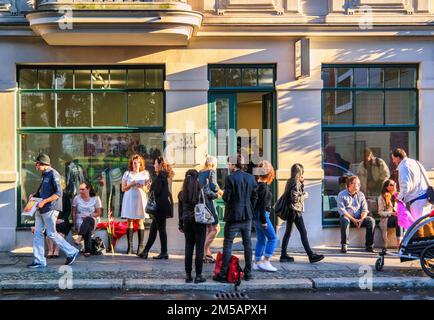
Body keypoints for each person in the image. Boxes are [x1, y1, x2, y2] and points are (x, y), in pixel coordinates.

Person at [27, 154, 80, 268]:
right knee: (37, 233)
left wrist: (44, 201)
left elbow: (58, 193)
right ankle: (39, 260)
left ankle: (71, 251)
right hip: (41, 208)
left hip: (50, 208)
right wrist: (34, 195)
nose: (35, 166)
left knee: (51, 233)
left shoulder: (53, 174)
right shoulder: (44, 174)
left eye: (37, 163)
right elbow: (44, 191)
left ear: (43, 164)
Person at [213, 154, 258, 283]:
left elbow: (226, 198)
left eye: (229, 164)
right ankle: (248, 273)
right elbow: (255, 196)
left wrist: (223, 194)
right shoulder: (250, 178)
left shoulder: (230, 178)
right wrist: (249, 208)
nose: (228, 166)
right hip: (247, 216)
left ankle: (223, 274)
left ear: (233, 165)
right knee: (247, 244)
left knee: (228, 244)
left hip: (233, 217)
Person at [280, 163, 324, 263]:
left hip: (291, 211)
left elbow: (294, 194)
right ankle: (311, 255)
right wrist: (305, 195)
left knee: (288, 233)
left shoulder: (290, 181)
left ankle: (283, 255)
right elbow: (295, 198)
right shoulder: (295, 182)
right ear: (300, 172)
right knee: (303, 232)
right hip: (295, 211)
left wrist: (302, 184)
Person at [140, 156, 174, 259]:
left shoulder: (161, 177)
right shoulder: (164, 176)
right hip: (162, 207)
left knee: (160, 230)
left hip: (160, 207)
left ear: (159, 165)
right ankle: (146, 251)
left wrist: (148, 188)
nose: (154, 165)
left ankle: (163, 252)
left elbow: (157, 192)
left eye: (155, 163)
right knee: (154, 230)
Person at [178, 170, 207, 284]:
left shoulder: (181, 193)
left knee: (188, 248)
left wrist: (180, 225)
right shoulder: (200, 191)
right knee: (199, 249)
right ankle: (199, 275)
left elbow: (180, 212)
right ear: (197, 178)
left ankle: (188, 275)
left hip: (187, 222)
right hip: (199, 222)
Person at [121, 154, 151, 255]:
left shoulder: (145, 173)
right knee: (130, 222)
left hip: (140, 199)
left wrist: (142, 185)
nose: (136, 164)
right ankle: (129, 248)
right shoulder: (127, 173)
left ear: (141, 163)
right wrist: (132, 184)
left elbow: (147, 190)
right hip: (129, 199)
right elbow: (123, 188)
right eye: (134, 162)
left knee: (140, 222)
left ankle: (140, 248)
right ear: (131, 163)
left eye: (138, 162)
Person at [337, 176, 376, 253]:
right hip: (348, 217)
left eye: (359, 184)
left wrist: (361, 220)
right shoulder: (341, 194)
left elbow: (365, 209)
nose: (359, 185)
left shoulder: (361, 194)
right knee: (344, 220)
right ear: (350, 184)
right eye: (357, 183)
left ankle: (369, 246)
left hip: (359, 218)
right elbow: (342, 210)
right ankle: (344, 245)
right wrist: (353, 220)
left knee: (371, 220)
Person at [391, 148, 432, 220]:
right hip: (427, 197)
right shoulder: (415, 162)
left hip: (417, 201)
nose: (393, 161)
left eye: (393, 158)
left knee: (419, 226)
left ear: (398, 158)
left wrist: (399, 198)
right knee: (427, 225)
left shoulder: (403, 166)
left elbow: (405, 186)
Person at [252, 160, 278, 272]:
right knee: (272, 238)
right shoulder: (264, 188)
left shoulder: (256, 185)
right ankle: (266, 261)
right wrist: (264, 221)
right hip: (262, 215)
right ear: (269, 173)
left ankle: (257, 262)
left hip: (256, 216)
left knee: (261, 239)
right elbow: (262, 206)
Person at [198, 155, 221, 263]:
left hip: (201, 204)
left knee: (208, 228)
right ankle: (203, 250)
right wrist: (219, 191)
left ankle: (207, 252)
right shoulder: (211, 172)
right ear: (213, 164)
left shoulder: (200, 172)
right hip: (209, 203)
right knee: (216, 227)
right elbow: (214, 186)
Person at [46, 178, 72, 258]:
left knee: (60, 231)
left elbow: (68, 210)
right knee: (48, 232)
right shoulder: (49, 195)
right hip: (51, 218)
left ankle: (56, 250)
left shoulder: (65, 196)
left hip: (62, 219)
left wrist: (62, 219)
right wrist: (53, 219)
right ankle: (50, 251)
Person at [377, 179, 403, 249]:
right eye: (391, 185)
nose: (394, 185)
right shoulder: (382, 197)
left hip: (397, 218)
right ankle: (399, 244)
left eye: (394, 184)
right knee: (398, 218)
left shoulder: (398, 196)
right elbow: (380, 212)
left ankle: (403, 242)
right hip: (387, 219)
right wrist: (391, 213)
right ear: (387, 187)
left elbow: (403, 208)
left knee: (402, 218)